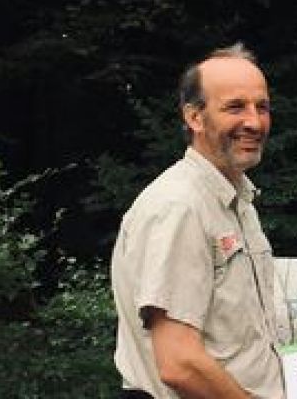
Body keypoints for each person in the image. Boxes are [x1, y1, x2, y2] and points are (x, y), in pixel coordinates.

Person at [111, 43, 287, 398]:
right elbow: (179, 362)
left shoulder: (235, 201)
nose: (254, 122)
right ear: (194, 117)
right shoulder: (179, 206)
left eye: (262, 107)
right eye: (235, 107)